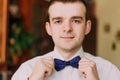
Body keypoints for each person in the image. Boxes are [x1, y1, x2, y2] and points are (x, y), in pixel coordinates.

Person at [11, 0, 120, 80]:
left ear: (87, 27)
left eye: (76, 21)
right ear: (48, 28)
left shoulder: (110, 71)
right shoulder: (26, 70)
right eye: (58, 21)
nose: (67, 28)